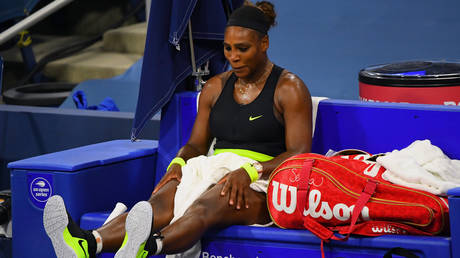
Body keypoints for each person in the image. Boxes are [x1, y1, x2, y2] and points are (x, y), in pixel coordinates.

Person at [43, 1, 313, 257]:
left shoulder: (289, 88)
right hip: (216, 168)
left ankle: (147, 248)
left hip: (264, 182)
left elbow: (300, 153)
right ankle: (87, 243)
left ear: (264, 43)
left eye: (242, 49)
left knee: (205, 205)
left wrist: (250, 171)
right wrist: (177, 163)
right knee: (157, 205)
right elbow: (196, 145)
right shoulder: (215, 87)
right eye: (228, 48)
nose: (233, 57)